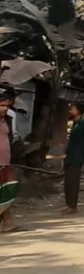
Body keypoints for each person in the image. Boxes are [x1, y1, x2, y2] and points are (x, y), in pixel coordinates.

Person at [0, 87, 21, 232]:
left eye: (7, 106)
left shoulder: (8, 119)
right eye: (2, 105)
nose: (5, 108)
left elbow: (11, 137)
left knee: (8, 190)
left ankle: (8, 222)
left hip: (5, 161)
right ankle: (8, 222)